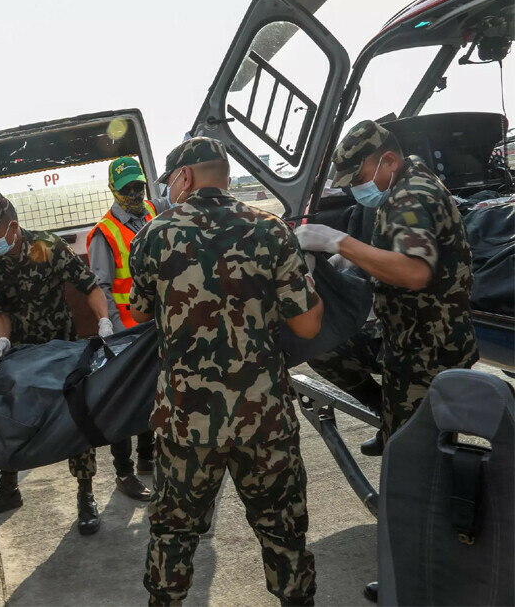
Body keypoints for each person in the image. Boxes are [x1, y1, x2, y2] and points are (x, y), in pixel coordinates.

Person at [130, 137, 323, 605]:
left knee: (174, 533)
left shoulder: (155, 235)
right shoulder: (273, 231)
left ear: (186, 177)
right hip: (265, 418)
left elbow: (138, 313)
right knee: (283, 533)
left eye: (171, 181)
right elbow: (308, 324)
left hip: (187, 424)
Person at [295, 119, 479, 603]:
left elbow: (415, 272)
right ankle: (388, 416)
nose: (356, 188)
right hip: (416, 335)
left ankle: (419, 569)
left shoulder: (409, 195)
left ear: (388, 161)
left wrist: (338, 243)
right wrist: (351, 263)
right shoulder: (412, 179)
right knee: (327, 348)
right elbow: (402, 254)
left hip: (426, 348)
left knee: (413, 465)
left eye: (359, 176)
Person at [0, 189, 116, 534]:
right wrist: (2, 339)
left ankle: (85, 493)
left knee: (76, 417)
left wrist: (103, 321)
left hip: (61, 349)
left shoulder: (46, 246)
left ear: (12, 228)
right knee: (9, 418)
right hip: (20, 355)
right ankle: (8, 490)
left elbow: (88, 285)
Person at [86, 156, 171, 501]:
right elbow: (101, 286)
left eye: (138, 185)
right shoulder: (104, 233)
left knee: (153, 393)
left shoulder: (153, 212)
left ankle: (147, 460)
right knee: (124, 399)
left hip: (157, 326)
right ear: (113, 191)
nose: (135, 193)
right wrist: (116, 328)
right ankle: (124, 471)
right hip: (126, 332)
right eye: (127, 189)